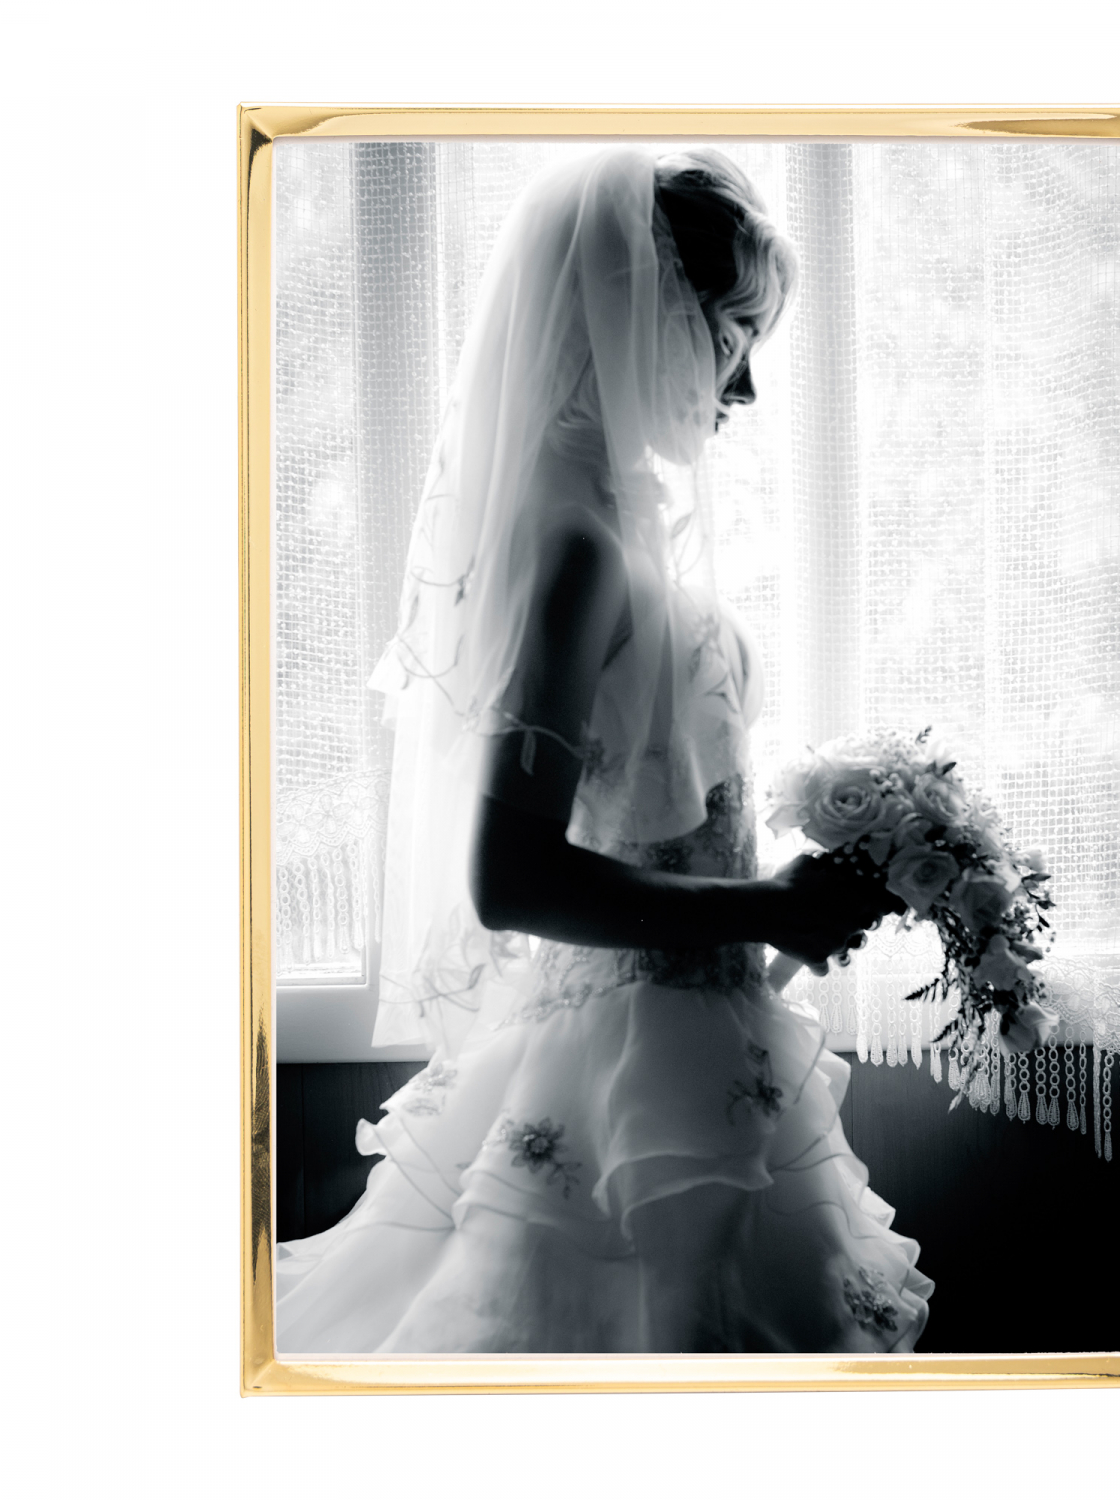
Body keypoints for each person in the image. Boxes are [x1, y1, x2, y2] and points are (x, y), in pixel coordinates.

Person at [275, 148, 933, 1354]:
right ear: (645, 316)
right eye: (732, 336)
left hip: (706, 1047)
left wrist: (794, 911)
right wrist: (762, 906)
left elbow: (656, 845)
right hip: (617, 1075)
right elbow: (511, 881)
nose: (745, 388)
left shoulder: (619, 523)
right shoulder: (576, 545)